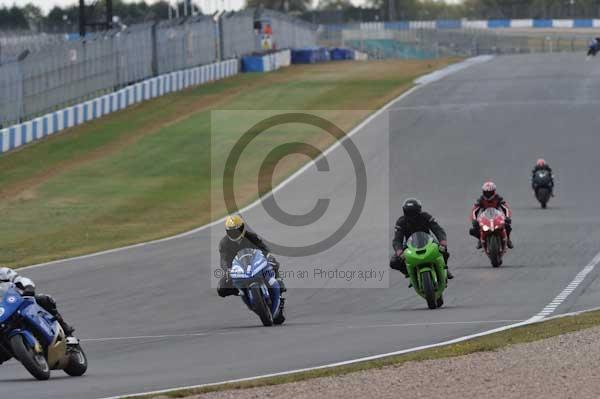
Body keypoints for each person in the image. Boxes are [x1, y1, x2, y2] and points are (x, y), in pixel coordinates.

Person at [217, 214, 286, 297]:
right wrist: (228, 269)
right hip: (236, 269)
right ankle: (240, 291)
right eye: (231, 231)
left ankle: (278, 281)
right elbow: (223, 259)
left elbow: (263, 248)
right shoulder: (224, 243)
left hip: (255, 263)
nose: (235, 233)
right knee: (221, 288)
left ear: (243, 228)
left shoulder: (251, 236)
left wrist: (268, 256)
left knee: (273, 262)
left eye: (237, 230)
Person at [389, 198, 454, 280]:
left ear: (419, 211)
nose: (411, 216)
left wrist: (442, 242)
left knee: (443, 250)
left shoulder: (425, 216)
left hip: (428, 241)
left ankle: (444, 268)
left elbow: (437, 229)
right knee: (394, 262)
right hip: (410, 245)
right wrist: (399, 252)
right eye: (409, 213)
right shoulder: (401, 222)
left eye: (413, 212)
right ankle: (409, 272)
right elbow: (397, 239)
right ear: (405, 212)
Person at [0, 267, 75, 336]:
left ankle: (65, 330)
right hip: (2, 313)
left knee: (43, 299)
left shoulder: (3, 272)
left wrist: (28, 287)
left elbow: (21, 279)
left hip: (18, 301)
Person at [469, 181, 513, 249]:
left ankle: (508, 239)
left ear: (494, 192)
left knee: (507, 225)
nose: (488, 194)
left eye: (490, 192)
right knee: (473, 229)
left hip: (497, 217)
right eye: (486, 192)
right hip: (485, 218)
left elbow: (506, 208)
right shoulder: (481, 199)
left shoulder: (498, 198)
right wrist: (474, 220)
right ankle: (480, 239)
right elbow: (474, 210)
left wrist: (507, 217)